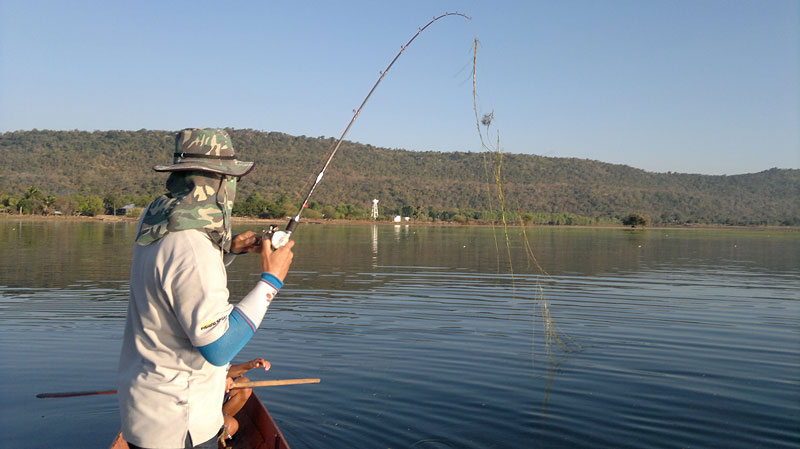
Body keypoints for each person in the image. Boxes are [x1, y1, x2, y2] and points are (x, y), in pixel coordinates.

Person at [117, 128, 295, 449]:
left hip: (143, 408)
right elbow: (219, 349)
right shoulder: (193, 247)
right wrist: (272, 279)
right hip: (178, 423)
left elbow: (176, 278)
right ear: (219, 182)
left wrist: (230, 250)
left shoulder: (155, 217)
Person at [219, 358, 271, 446]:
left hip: (211, 404)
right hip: (195, 407)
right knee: (231, 425)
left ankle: (220, 422)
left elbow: (226, 369)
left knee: (245, 385)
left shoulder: (215, 352)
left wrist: (251, 364)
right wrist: (221, 377)